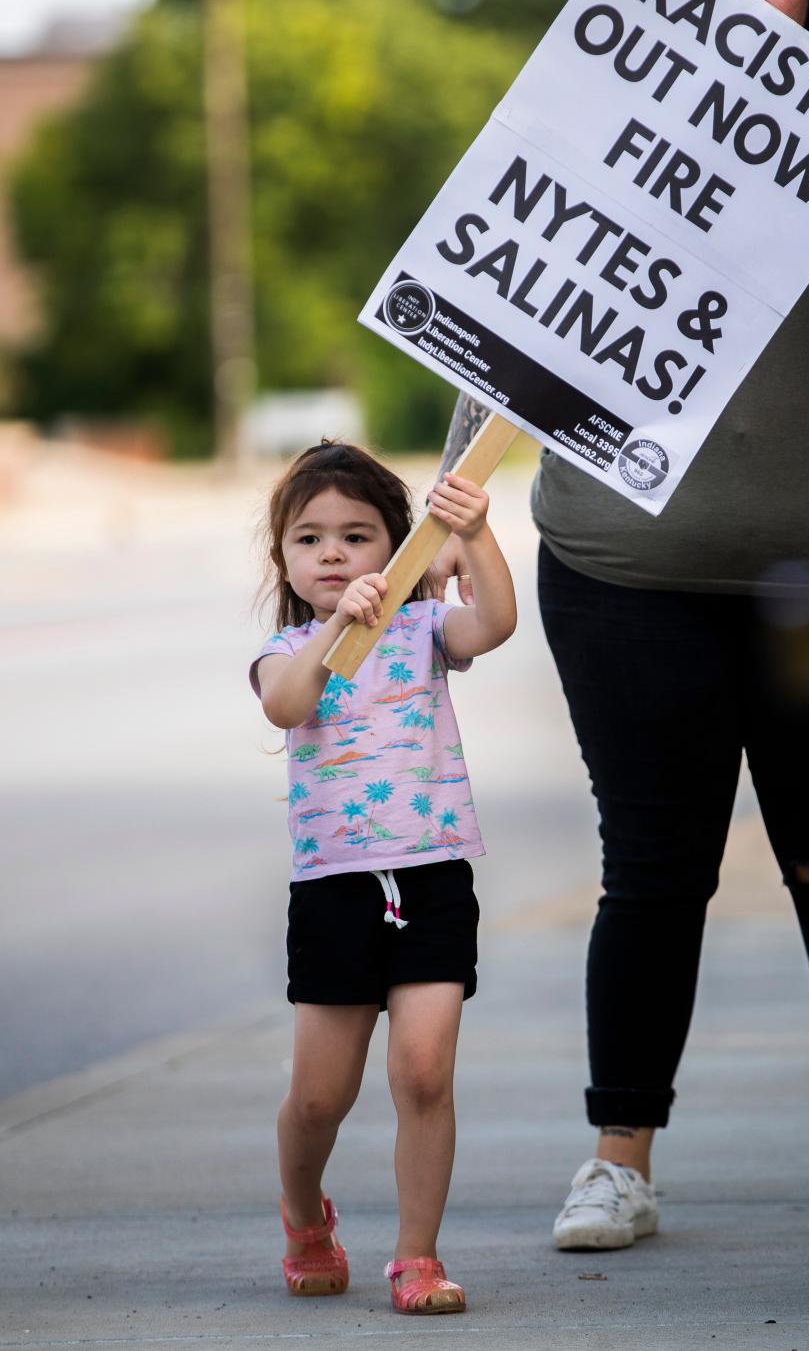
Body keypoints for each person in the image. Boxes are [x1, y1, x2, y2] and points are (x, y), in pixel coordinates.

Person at [435, 0, 809, 1250]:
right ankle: (619, 1160)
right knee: (653, 866)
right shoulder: (590, 143)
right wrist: (452, 520)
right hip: (628, 570)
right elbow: (508, 319)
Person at [250, 441, 516, 1311]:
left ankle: (417, 1255)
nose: (333, 553)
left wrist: (473, 535)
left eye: (358, 536)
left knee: (425, 1070)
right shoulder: (287, 647)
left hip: (432, 874)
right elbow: (287, 703)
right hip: (335, 889)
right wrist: (337, 627)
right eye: (310, 538)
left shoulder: (426, 630)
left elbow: (496, 623)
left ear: (396, 548)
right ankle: (303, 1213)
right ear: (284, 559)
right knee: (322, 1097)